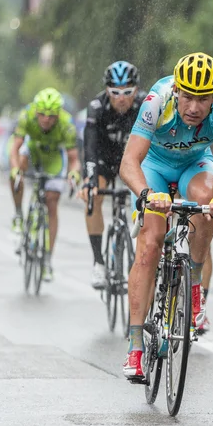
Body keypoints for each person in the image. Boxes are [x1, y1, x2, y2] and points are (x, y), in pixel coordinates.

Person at [119, 52, 213, 379]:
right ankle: (134, 346)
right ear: (176, 89)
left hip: (194, 163)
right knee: (149, 244)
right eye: (187, 96)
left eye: (202, 99)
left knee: (207, 202)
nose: (193, 107)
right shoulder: (156, 101)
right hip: (154, 166)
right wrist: (147, 194)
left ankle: (195, 289)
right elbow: (129, 162)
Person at [79, 61, 146, 288]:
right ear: (107, 90)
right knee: (92, 196)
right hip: (104, 161)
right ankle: (99, 262)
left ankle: (139, 243)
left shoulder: (145, 106)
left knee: (147, 197)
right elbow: (89, 147)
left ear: (136, 90)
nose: (121, 98)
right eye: (115, 92)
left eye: (127, 92)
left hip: (134, 161)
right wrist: (89, 180)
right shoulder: (97, 107)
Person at [9, 88, 80, 281]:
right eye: (42, 114)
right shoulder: (26, 116)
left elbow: (74, 158)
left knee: (52, 202)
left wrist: (74, 174)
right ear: (36, 111)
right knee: (16, 170)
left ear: (59, 114)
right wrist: (16, 170)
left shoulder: (67, 125)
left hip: (53, 159)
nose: (46, 119)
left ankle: (47, 259)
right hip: (32, 151)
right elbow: (15, 148)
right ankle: (18, 213)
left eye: (51, 116)